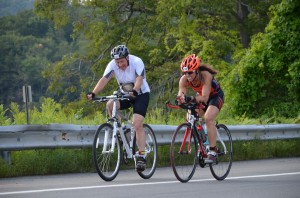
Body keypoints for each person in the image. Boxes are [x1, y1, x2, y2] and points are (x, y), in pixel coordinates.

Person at [86, 45, 150, 172]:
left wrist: (135, 91)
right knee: (110, 104)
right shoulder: (112, 65)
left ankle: (142, 155)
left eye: (122, 61)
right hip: (125, 94)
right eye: (117, 62)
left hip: (140, 94)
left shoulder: (137, 61)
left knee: (137, 124)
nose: (120, 64)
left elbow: (139, 79)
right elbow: (104, 79)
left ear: (127, 57)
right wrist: (93, 93)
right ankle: (120, 132)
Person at [176, 54, 224, 163]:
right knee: (190, 117)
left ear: (196, 70)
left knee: (208, 118)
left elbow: (205, 98)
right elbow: (181, 95)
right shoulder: (184, 80)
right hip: (200, 97)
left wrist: (191, 98)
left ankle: (212, 151)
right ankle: (202, 138)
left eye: (190, 72)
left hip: (215, 96)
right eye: (185, 73)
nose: (187, 75)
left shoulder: (206, 75)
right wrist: (180, 100)